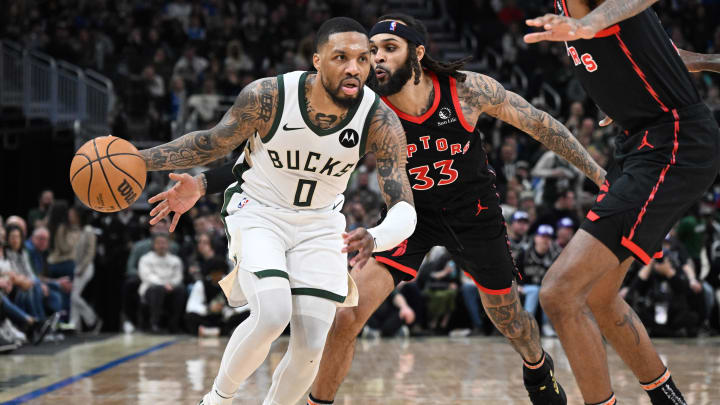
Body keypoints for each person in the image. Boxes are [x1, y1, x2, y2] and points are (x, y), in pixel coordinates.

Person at [154, 13, 607, 405]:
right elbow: (269, 156)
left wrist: (597, 174)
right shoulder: (365, 106)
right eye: (372, 51)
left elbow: (541, 124)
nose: (376, 59)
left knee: (508, 315)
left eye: (389, 48)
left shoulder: (467, 91)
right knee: (345, 317)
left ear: (418, 53)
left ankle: (536, 364)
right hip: (408, 216)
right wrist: (204, 182)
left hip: (473, 213)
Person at [139, 17, 416, 405]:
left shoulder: (380, 120)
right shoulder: (270, 96)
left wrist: (376, 236)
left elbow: (405, 208)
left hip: (320, 223)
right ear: (317, 60)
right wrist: (138, 161)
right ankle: (217, 400)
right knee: (272, 313)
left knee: (311, 346)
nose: (354, 67)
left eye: (362, 58)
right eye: (341, 57)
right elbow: (211, 143)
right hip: (259, 211)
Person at [524, 1, 720, 404]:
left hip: (673, 141)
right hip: (639, 142)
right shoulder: (566, 11)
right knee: (598, 294)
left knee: (559, 293)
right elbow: (655, 54)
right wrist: (686, 63)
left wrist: (588, 24)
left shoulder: (591, 11)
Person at [138, 233, 185, 333]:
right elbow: (147, 276)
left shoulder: (175, 260)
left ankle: (174, 324)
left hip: (170, 288)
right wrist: (163, 285)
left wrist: (171, 284)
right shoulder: (145, 259)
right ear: (154, 245)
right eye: (159, 243)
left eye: (164, 243)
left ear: (168, 244)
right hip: (150, 289)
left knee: (180, 290)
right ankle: (154, 324)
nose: (161, 246)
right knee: (157, 290)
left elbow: (178, 277)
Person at [69, 206, 101, 332]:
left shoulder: (88, 230)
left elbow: (90, 252)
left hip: (86, 267)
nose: (69, 216)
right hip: (76, 267)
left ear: (78, 215)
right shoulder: (73, 230)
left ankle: (93, 319)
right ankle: (75, 326)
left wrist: (82, 267)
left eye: (71, 214)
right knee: (74, 296)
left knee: (74, 296)